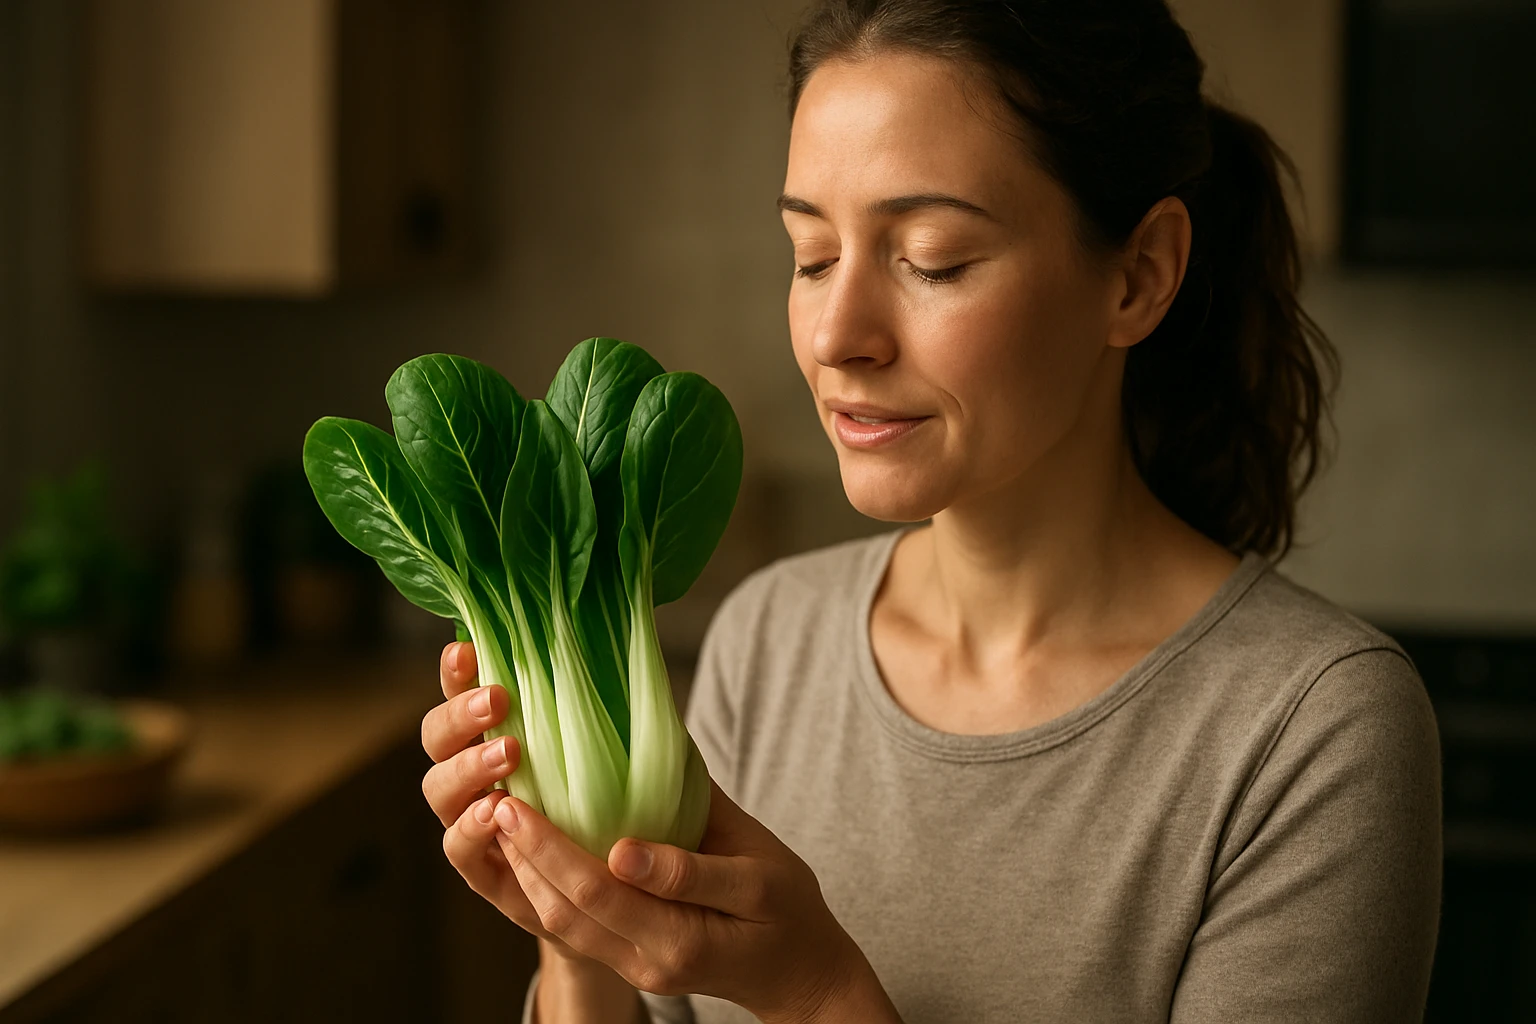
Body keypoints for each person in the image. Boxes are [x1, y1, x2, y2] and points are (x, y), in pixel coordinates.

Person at [418, 1, 1443, 1020]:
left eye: (933, 260)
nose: (837, 334)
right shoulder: (768, 641)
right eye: (812, 257)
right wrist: (576, 932)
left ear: (1139, 275)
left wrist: (819, 996)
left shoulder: (1315, 729)